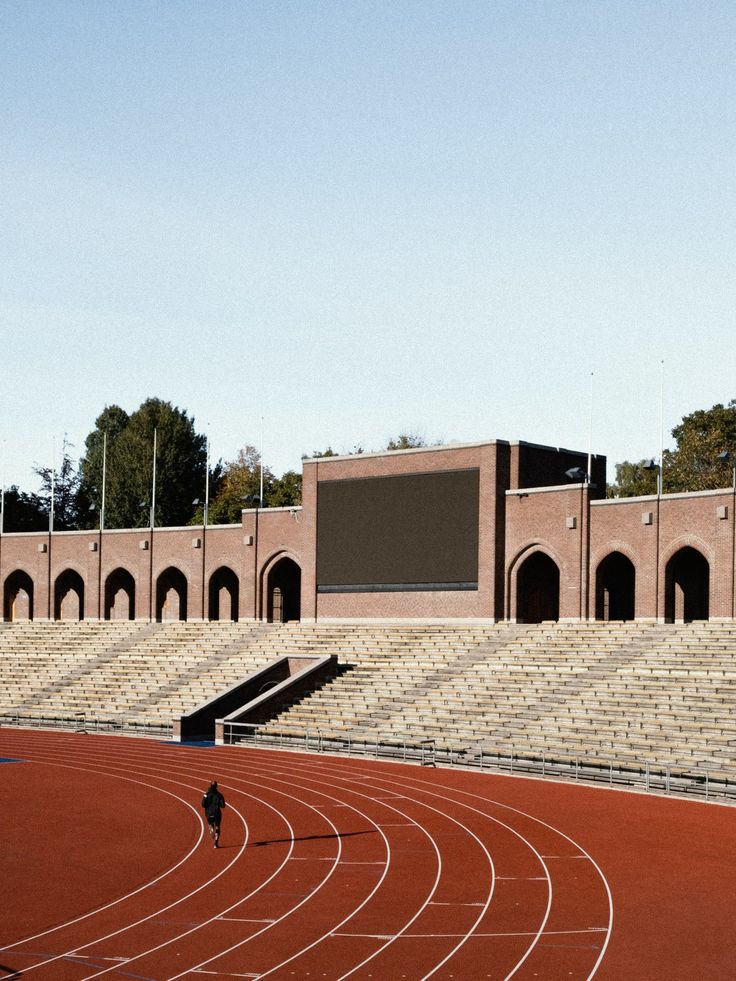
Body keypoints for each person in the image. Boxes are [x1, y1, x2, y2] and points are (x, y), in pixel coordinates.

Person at [201, 780, 226, 847]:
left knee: (210, 824)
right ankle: (216, 843)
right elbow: (223, 806)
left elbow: (203, 804)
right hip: (217, 813)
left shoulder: (206, 794)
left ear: (210, 786)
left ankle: (211, 829)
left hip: (208, 813)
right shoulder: (220, 795)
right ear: (216, 786)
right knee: (217, 827)